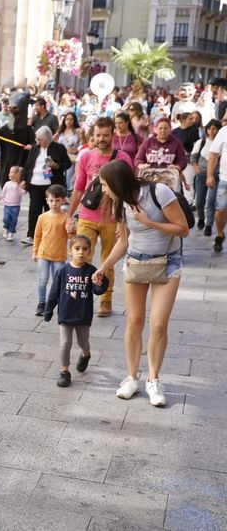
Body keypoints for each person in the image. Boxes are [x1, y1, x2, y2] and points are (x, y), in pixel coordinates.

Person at [92, 160, 189, 406]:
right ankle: (132, 377)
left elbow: (182, 228)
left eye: (104, 185)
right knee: (134, 321)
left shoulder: (159, 192)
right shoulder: (119, 203)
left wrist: (149, 223)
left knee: (158, 324)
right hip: (135, 262)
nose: (102, 190)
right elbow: (124, 241)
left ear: (117, 182)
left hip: (168, 262)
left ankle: (153, 380)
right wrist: (105, 267)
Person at [65, 117, 134, 317]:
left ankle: (106, 299)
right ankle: (79, 295)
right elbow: (79, 187)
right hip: (87, 215)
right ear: (92, 136)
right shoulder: (86, 156)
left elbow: (128, 190)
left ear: (113, 135)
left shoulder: (122, 158)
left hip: (112, 219)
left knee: (107, 260)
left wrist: (126, 221)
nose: (101, 139)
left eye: (105, 135)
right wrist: (70, 214)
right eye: (98, 135)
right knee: (80, 256)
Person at [43, 234, 109, 387]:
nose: (81, 252)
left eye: (84, 249)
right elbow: (54, 292)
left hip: (83, 316)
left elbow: (98, 290)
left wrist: (102, 281)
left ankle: (86, 355)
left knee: (83, 342)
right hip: (65, 315)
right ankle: (64, 372)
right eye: (77, 248)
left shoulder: (91, 271)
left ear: (89, 252)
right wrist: (48, 310)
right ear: (70, 251)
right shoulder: (63, 271)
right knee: (65, 344)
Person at [20, 126, 71, 245]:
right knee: (34, 210)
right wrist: (24, 179)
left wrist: (56, 166)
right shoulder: (35, 149)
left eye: (40, 140)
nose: (38, 142)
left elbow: (67, 164)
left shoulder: (58, 148)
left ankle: (51, 234)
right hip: (34, 183)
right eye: (37, 139)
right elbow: (28, 165)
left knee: (51, 209)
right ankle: (32, 235)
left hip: (51, 184)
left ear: (47, 139)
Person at [32, 184, 70, 316]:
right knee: (43, 278)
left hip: (59, 255)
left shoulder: (65, 217)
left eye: (57, 200)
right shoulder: (42, 217)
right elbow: (37, 236)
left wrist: (72, 230)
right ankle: (42, 302)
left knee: (57, 280)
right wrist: (35, 252)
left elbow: (71, 236)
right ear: (47, 200)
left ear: (63, 200)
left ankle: (55, 301)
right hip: (44, 253)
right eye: (51, 200)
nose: (54, 203)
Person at [135, 116, 189, 192]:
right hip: (150, 178)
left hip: (170, 179)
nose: (163, 130)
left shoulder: (176, 143)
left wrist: (178, 166)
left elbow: (182, 160)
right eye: (160, 128)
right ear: (155, 129)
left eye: (166, 128)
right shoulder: (148, 142)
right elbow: (138, 159)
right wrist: (141, 165)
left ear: (170, 129)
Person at [0, 91, 35, 188]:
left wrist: (32, 146)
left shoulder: (28, 130)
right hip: (7, 164)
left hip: (21, 163)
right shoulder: (4, 129)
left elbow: (35, 145)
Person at [191, 119, 220, 232]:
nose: (212, 131)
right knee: (199, 201)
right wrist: (197, 169)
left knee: (211, 200)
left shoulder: (221, 143)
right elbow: (193, 157)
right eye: (210, 129)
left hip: (216, 176)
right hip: (201, 175)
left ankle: (209, 224)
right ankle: (201, 218)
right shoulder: (201, 142)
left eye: (214, 129)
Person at [207, 117, 227, 252]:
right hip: (225, 179)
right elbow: (214, 154)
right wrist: (209, 175)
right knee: (220, 210)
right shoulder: (224, 131)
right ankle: (220, 234)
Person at [55, 112, 84, 192]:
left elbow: (84, 144)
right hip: (61, 158)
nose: (69, 121)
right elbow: (56, 144)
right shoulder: (60, 131)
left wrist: (77, 149)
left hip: (73, 159)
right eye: (67, 119)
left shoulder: (78, 131)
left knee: (70, 179)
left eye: (71, 119)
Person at [0, 166, 26, 241]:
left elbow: (23, 193)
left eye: (11, 172)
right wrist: (0, 197)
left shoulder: (19, 184)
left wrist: (22, 187)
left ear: (16, 174)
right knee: (6, 218)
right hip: (7, 205)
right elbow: (3, 193)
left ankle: (11, 232)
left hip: (16, 206)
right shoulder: (7, 184)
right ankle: (6, 227)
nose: (9, 174)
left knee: (14, 219)